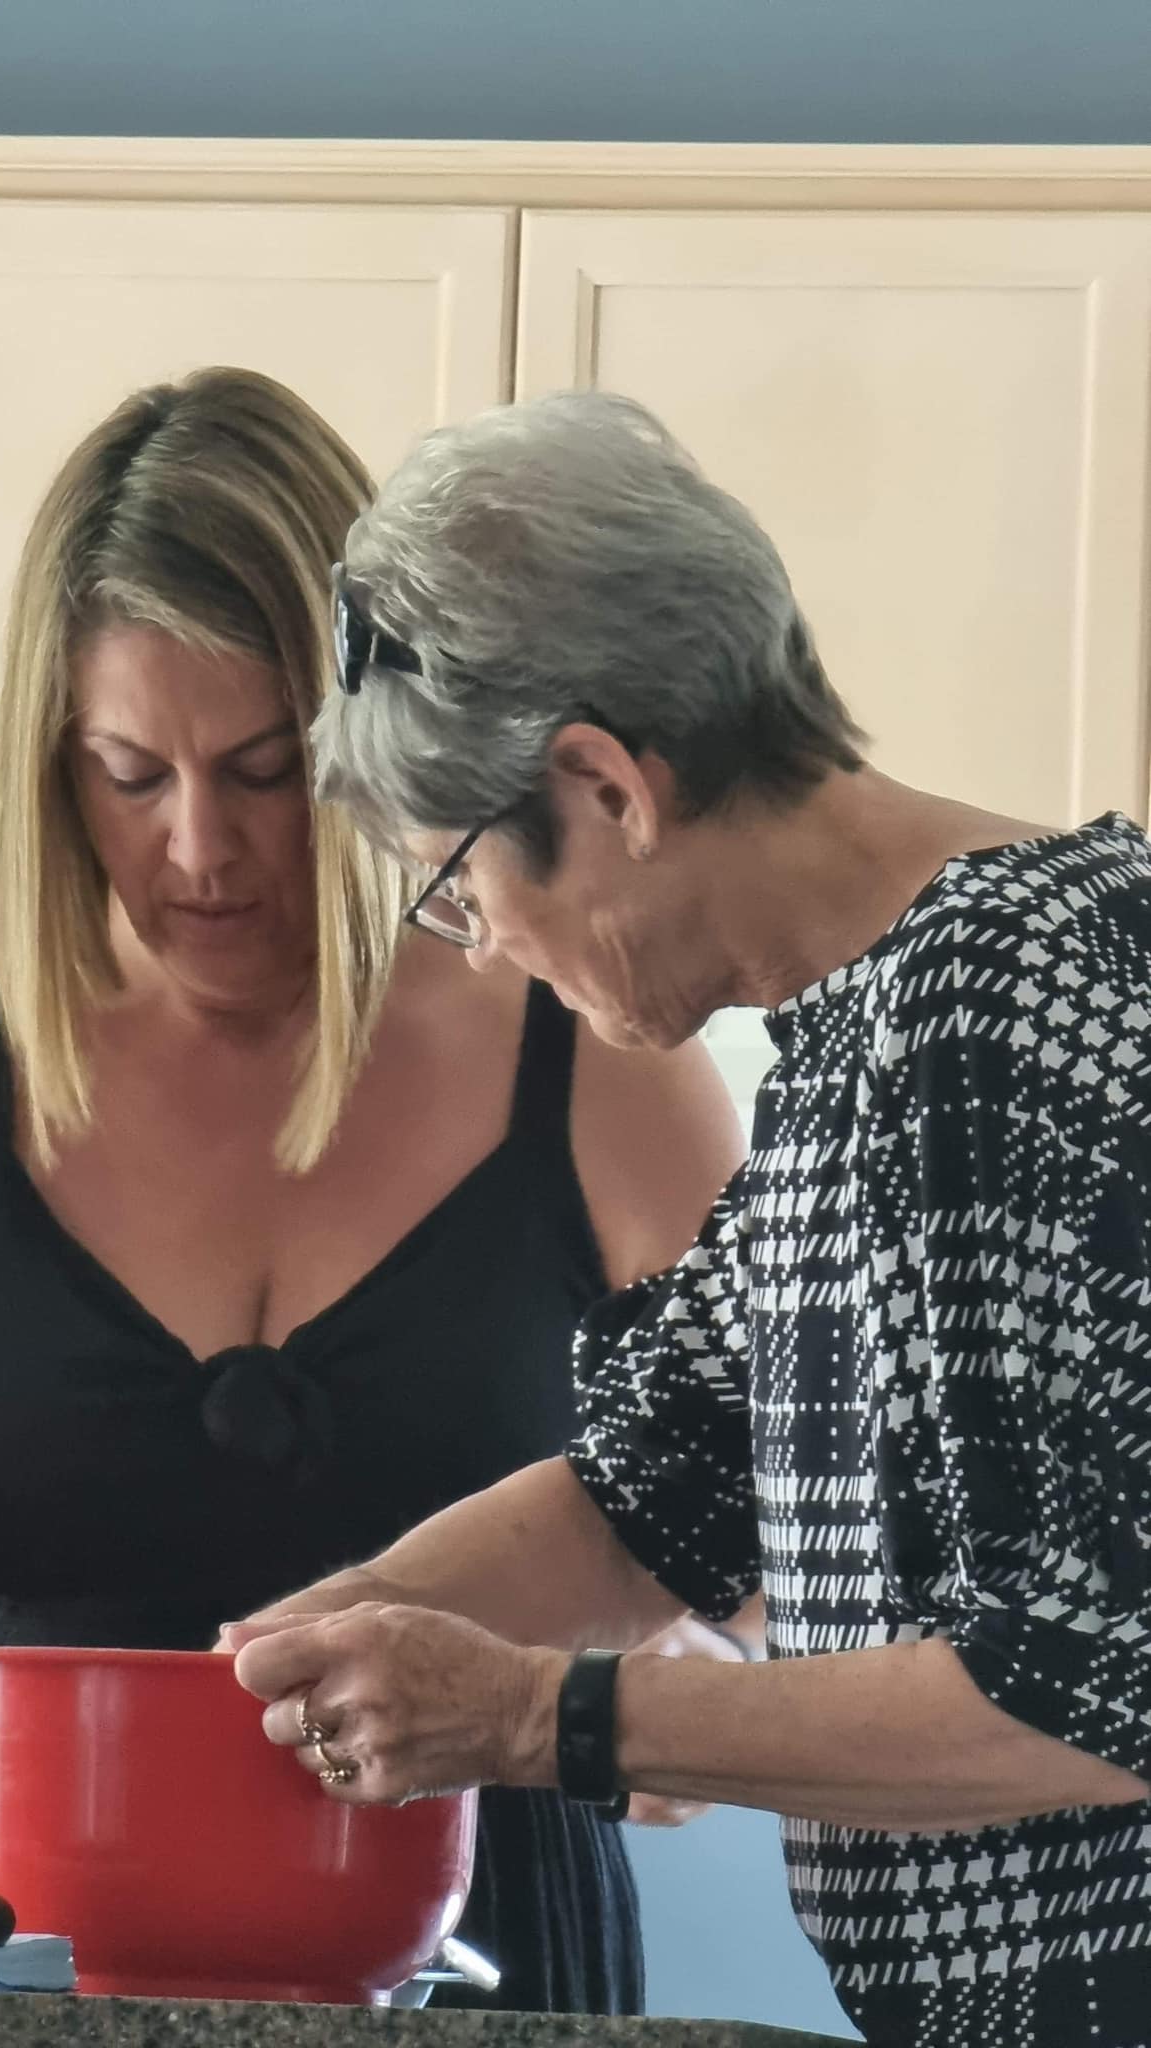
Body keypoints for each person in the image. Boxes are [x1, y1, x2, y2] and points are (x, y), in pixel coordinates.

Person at [0, 369, 746, 2015]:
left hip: (476, 1948)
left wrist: (697, 1670)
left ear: (374, 741)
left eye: (266, 769)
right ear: (49, 764)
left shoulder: (593, 1051)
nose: (202, 848)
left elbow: (797, 1516)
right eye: (131, 774)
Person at [227, 389, 1151, 2048]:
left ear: (604, 787)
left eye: (461, 888)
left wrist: (540, 1718)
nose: (486, 949)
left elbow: (1088, 1682)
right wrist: (310, 1652)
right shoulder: (867, 1035)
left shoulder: (1009, 1004)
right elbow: (655, 1494)